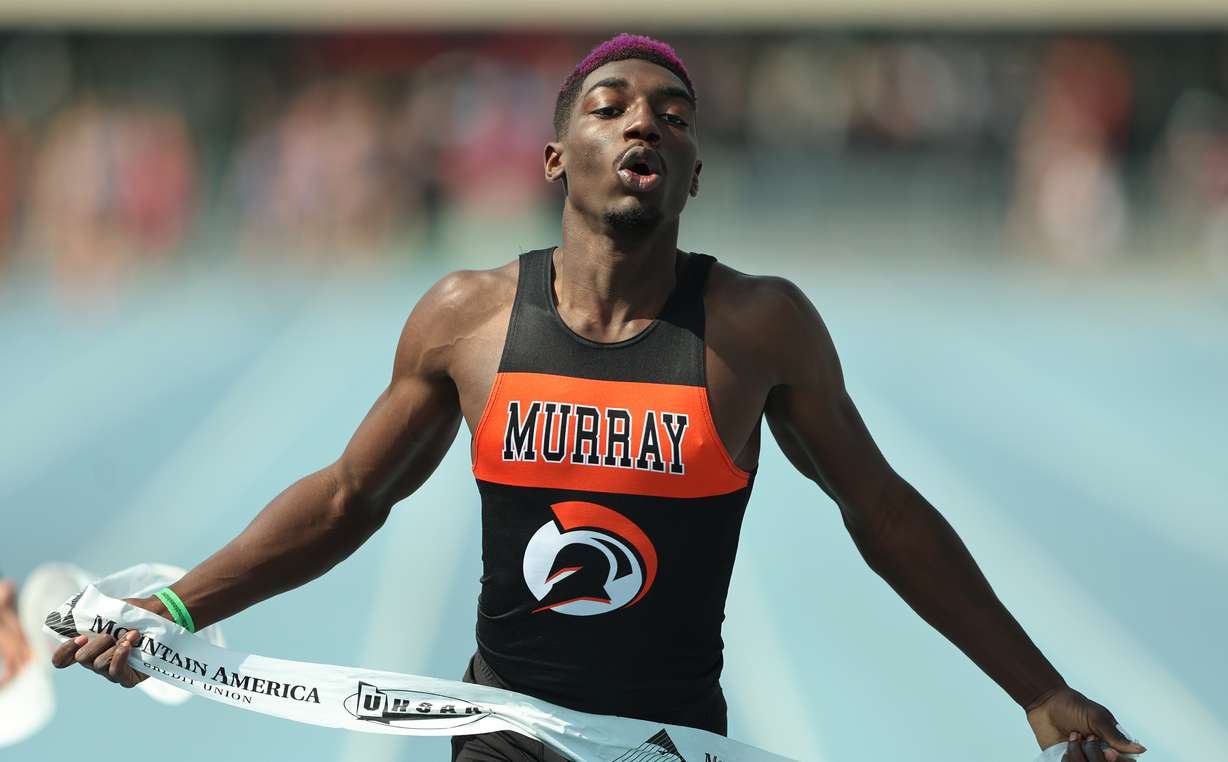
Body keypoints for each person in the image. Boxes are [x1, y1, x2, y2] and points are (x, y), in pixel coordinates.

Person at [52, 34, 1145, 762]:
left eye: (674, 116)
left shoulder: (759, 325)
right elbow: (347, 501)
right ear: (553, 154)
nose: (644, 127)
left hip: (673, 745)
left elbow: (883, 514)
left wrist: (1039, 692)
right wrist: (180, 609)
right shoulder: (467, 318)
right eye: (612, 107)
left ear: (695, 172)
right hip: (500, 734)